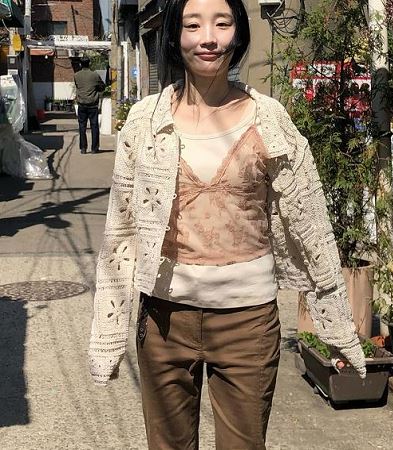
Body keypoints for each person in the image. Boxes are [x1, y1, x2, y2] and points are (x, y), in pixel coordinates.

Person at [89, 0, 367, 448]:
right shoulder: (145, 121)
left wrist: (336, 326)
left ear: (238, 34)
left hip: (248, 323)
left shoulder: (268, 118)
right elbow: (121, 228)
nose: (208, 38)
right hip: (163, 320)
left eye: (222, 23)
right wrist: (108, 330)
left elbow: (310, 223)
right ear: (175, 37)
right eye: (193, 25)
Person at [74, 56, 105, 154]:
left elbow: (77, 86)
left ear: (80, 64)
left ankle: (83, 148)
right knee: (94, 126)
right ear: (89, 63)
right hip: (93, 105)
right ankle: (94, 148)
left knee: (82, 127)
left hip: (81, 104)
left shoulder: (76, 75)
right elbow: (102, 87)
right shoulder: (95, 75)